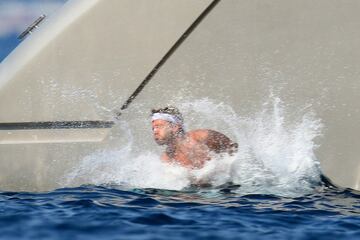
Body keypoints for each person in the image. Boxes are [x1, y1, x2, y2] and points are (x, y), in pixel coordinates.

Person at [151, 106, 238, 169]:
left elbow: (234, 150)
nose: (155, 131)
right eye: (153, 128)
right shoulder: (167, 158)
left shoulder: (202, 137)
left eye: (159, 126)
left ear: (175, 127)